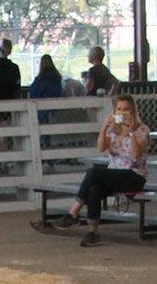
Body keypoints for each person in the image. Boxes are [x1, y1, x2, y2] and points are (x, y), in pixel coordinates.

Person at [46, 93, 149, 248]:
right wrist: (105, 127)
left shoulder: (141, 130)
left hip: (134, 175)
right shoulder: (113, 130)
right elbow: (101, 147)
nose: (122, 113)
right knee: (94, 189)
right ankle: (93, 232)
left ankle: (73, 213)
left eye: (126, 109)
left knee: (93, 173)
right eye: (119, 109)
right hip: (114, 173)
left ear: (133, 111)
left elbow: (135, 155)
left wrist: (130, 133)